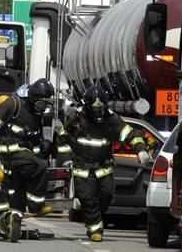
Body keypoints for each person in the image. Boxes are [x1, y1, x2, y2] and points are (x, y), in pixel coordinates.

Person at [59, 85, 151, 242]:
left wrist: (140, 150)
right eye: (95, 109)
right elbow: (63, 138)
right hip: (82, 168)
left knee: (106, 196)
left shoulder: (112, 119)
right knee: (88, 198)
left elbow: (130, 134)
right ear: (87, 106)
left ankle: (94, 219)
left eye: (101, 108)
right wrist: (66, 159)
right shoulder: (76, 118)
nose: (98, 112)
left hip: (104, 167)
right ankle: (95, 229)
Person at [0, 78, 55, 216]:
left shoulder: (36, 112)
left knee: (18, 192)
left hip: (24, 154)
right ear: (33, 97)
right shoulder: (11, 104)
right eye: (42, 101)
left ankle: (14, 219)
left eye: (48, 102)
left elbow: (37, 136)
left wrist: (45, 144)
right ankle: (36, 205)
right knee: (40, 166)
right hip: (8, 151)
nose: (44, 106)